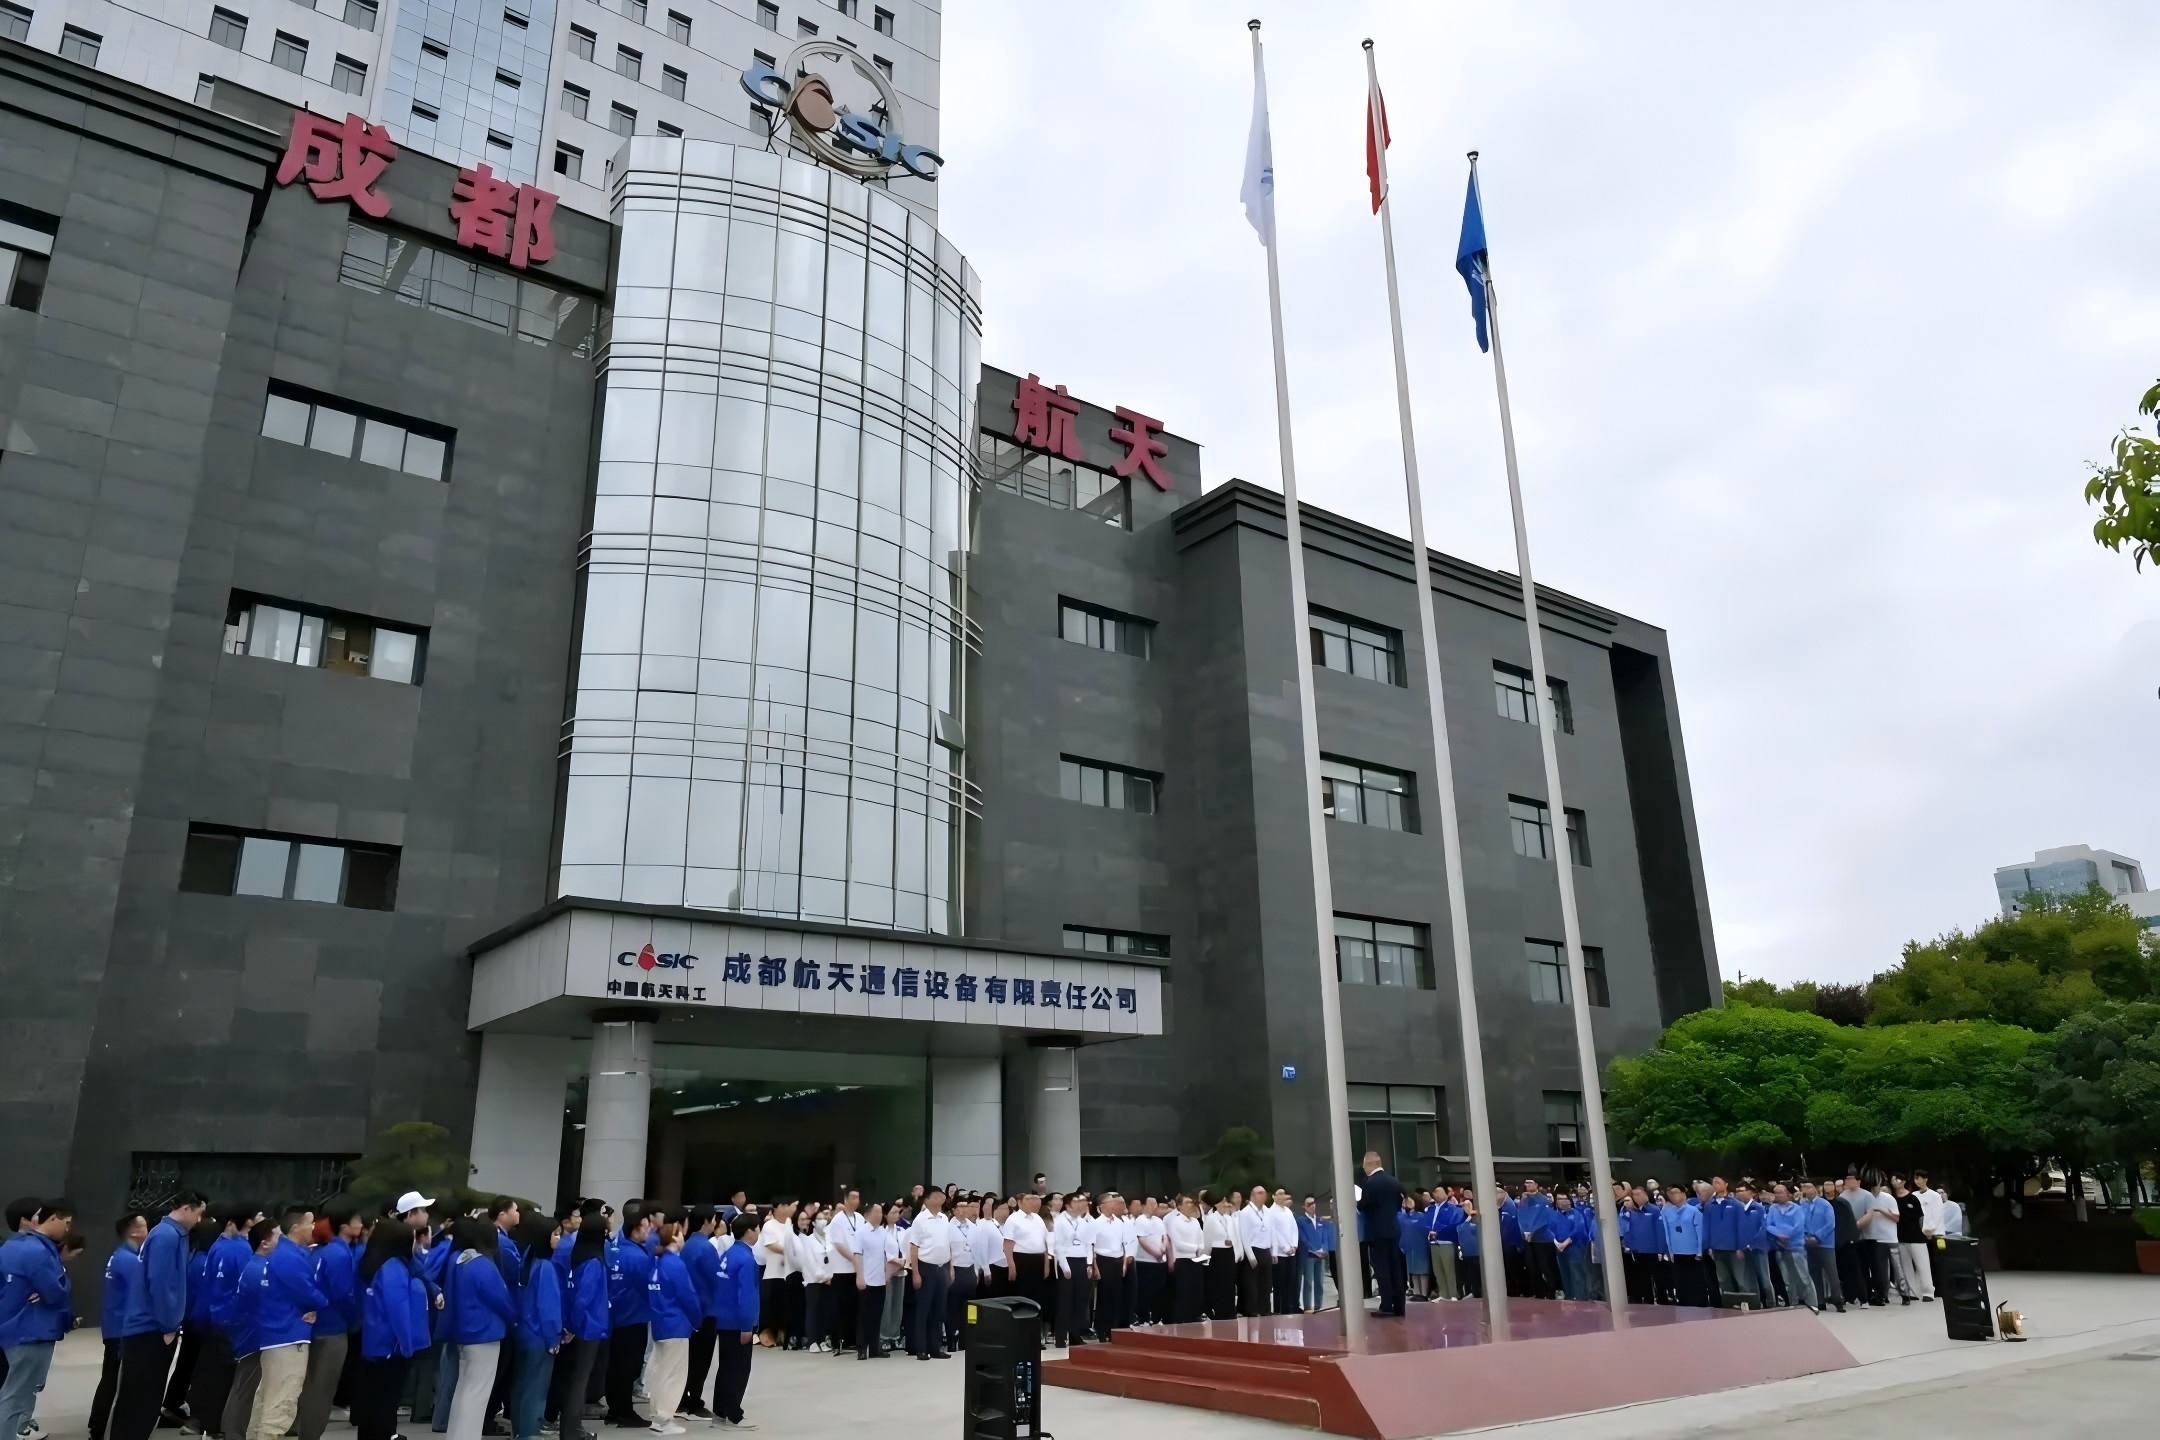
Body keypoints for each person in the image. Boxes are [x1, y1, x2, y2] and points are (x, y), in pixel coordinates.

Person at [249, 1208, 329, 1440]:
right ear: (295, 1227)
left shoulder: (285, 1253)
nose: (313, 1227)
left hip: (279, 1335)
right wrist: (319, 1303)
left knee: (267, 1399)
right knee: (281, 1401)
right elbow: (307, 1290)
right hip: (287, 1337)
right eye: (310, 1223)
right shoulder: (288, 1255)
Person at [1, 1198, 75, 1440]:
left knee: (16, 1392)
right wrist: (61, 1278)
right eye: (65, 1222)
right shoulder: (38, 1251)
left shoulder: (10, 1247)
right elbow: (56, 1293)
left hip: (14, 1328)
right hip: (30, 1330)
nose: (67, 1228)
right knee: (16, 1396)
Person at [356, 1220, 432, 1440]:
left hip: (375, 1340)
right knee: (387, 1397)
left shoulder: (374, 1263)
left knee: (375, 1397)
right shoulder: (393, 1267)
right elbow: (398, 1308)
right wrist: (407, 1344)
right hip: (391, 1343)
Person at [294, 1204, 364, 1440]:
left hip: (312, 1325)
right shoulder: (339, 1253)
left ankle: (298, 1430)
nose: (361, 1223)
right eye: (356, 1219)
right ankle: (310, 1435)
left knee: (308, 1384)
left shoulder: (317, 1252)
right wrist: (354, 1320)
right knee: (322, 1388)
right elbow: (343, 1294)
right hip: (332, 1327)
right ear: (343, 1226)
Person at [219, 1221, 279, 1440]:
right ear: (264, 1243)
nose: (281, 1241)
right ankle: (234, 1433)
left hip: (252, 1334)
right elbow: (265, 1305)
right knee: (245, 1389)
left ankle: (232, 1431)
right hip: (252, 1337)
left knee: (244, 1387)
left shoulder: (260, 1265)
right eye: (277, 1236)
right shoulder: (258, 1269)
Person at [91, 1214, 149, 1440]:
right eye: (144, 1226)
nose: (148, 1231)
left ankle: (97, 1424)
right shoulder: (130, 1261)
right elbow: (141, 1294)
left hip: (114, 1326)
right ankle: (103, 1428)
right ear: (134, 1231)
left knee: (109, 1377)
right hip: (123, 1329)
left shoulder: (119, 1255)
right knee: (115, 1381)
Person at [602, 1212, 654, 1426]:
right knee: (629, 1367)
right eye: (646, 1226)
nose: (649, 1230)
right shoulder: (638, 1256)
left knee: (615, 1366)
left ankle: (615, 1409)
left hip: (616, 1315)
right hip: (634, 1316)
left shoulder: (616, 1250)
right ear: (635, 1228)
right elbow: (648, 1288)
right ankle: (624, 1411)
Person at [904, 1187, 954, 1360]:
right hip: (926, 1267)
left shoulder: (944, 1218)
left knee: (938, 1309)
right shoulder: (920, 1220)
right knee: (923, 1309)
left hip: (942, 1267)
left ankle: (935, 1347)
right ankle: (921, 1348)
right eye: (937, 1196)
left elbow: (947, 1244)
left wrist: (951, 1268)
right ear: (927, 1199)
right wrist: (916, 1273)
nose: (941, 1198)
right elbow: (914, 1247)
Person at [1356, 1153, 1405, 1318]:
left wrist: (1357, 1204)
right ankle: (1399, 1305)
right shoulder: (1394, 1181)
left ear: (1370, 1164)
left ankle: (1386, 1305)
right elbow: (1398, 1204)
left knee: (1382, 1269)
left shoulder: (1370, 1183)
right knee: (1395, 1268)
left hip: (1377, 1231)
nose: (1364, 1168)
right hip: (1393, 1229)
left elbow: (1364, 1205)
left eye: (1364, 1165)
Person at [1763, 1184, 1818, 1311]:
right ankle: (1793, 1304)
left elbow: (1798, 1226)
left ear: (1787, 1193)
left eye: (1780, 1192)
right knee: (1787, 1279)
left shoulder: (1797, 1209)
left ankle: (1812, 1303)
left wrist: (1787, 1236)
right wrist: (1779, 1235)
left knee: (1803, 1277)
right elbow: (1769, 1225)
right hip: (1780, 1248)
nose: (1778, 1195)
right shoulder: (1773, 1208)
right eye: (1776, 1193)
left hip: (1796, 1248)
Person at [999, 1193, 1051, 1327]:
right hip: (1021, 1260)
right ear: (1020, 1202)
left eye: (1034, 1199)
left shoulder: (1037, 1218)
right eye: (1028, 1199)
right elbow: (1008, 1243)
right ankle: (1021, 1329)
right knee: (1023, 1296)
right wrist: (1011, 1264)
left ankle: (1035, 1330)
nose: (1032, 1202)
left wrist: (1046, 1264)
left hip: (1038, 1259)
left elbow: (1045, 1242)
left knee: (1038, 1296)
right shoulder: (1013, 1219)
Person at [1050, 1193, 1094, 1348]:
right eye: (1076, 1202)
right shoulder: (1061, 1221)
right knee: (1065, 1300)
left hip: (1082, 1261)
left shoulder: (1083, 1222)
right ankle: (1060, 1337)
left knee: (1080, 1300)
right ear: (1068, 1205)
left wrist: (1089, 1264)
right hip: (1067, 1261)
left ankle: (1075, 1334)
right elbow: (1058, 1245)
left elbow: (1089, 1244)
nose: (1080, 1204)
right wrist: (1064, 1266)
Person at [851, 1202, 893, 1361]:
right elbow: (857, 1255)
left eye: (881, 1212)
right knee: (864, 1315)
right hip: (866, 1280)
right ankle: (862, 1348)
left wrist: (886, 1275)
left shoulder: (883, 1232)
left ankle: (875, 1348)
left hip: (880, 1280)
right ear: (868, 1214)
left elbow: (886, 1254)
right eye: (877, 1212)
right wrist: (859, 1276)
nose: (880, 1215)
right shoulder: (861, 1232)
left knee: (877, 1315)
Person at [1799, 1182, 1845, 1313]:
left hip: (1825, 1243)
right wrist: (1805, 1236)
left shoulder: (1825, 1204)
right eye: (1805, 1188)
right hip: (1808, 1243)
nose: (1807, 1190)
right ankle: (1819, 1300)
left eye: (1810, 1187)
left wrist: (1817, 1236)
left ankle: (1838, 1300)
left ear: (1816, 1189)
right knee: (1814, 1272)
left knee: (1832, 1272)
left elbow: (1830, 1224)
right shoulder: (1802, 1205)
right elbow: (1800, 1222)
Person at [1660, 1187, 1706, 1306]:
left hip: (1693, 1252)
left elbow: (1700, 1232)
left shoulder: (1694, 1211)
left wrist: (1700, 1251)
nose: (1673, 1195)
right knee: (1681, 1281)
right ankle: (1683, 1302)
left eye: (1675, 1192)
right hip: (1676, 1252)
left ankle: (1699, 1303)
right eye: (1670, 1193)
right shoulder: (1666, 1211)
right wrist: (1670, 1251)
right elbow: (1666, 1232)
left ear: (1684, 1194)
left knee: (1695, 1280)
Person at [1894, 1176, 1935, 1301]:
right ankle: (1911, 1292)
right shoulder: (1893, 1199)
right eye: (1893, 1179)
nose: (1895, 1182)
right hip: (1900, 1237)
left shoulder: (1912, 1198)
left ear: (1903, 1181)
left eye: (1897, 1179)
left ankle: (1928, 1292)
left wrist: (1927, 1231)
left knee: (1923, 1265)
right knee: (1906, 1266)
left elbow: (1919, 1215)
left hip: (1916, 1237)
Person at [1199, 1193, 1239, 1322]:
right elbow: (1207, 1241)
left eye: (1226, 1202)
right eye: (1222, 1202)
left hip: (1229, 1252)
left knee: (1229, 1284)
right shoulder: (1211, 1219)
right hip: (1217, 1254)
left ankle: (1229, 1312)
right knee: (1219, 1284)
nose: (1225, 1205)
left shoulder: (1228, 1218)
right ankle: (1220, 1311)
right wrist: (1206, 1258)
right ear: (1216, 1205)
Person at [1865, 1179, 1905, 1306]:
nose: (1875, 1189)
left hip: (1890, 1238)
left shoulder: (1888, 1198)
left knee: (1897, 1268)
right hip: (1876, 1239)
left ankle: (1905, 1293)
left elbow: (1896, 1218)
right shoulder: (1866, 1198)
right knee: (1882, 1271)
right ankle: (1883, 1295)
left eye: (1877, 1186)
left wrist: (1881, 1210)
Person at [1518, 1180, 1559, 1300]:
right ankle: (1540, 1291)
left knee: (1546, 1266)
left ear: (1536, 1185)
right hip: (1529, 1239)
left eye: (1531, 1183)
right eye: (1526, 1183)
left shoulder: (1543, 1199)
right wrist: (1524, 1231)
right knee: (1532, 1267)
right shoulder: (1524, 1200)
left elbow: (1545, 1218)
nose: (1528, 1185)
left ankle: (1552, 1291)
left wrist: (1534, 1231)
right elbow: (1521, 1216)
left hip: (1543, 1239)